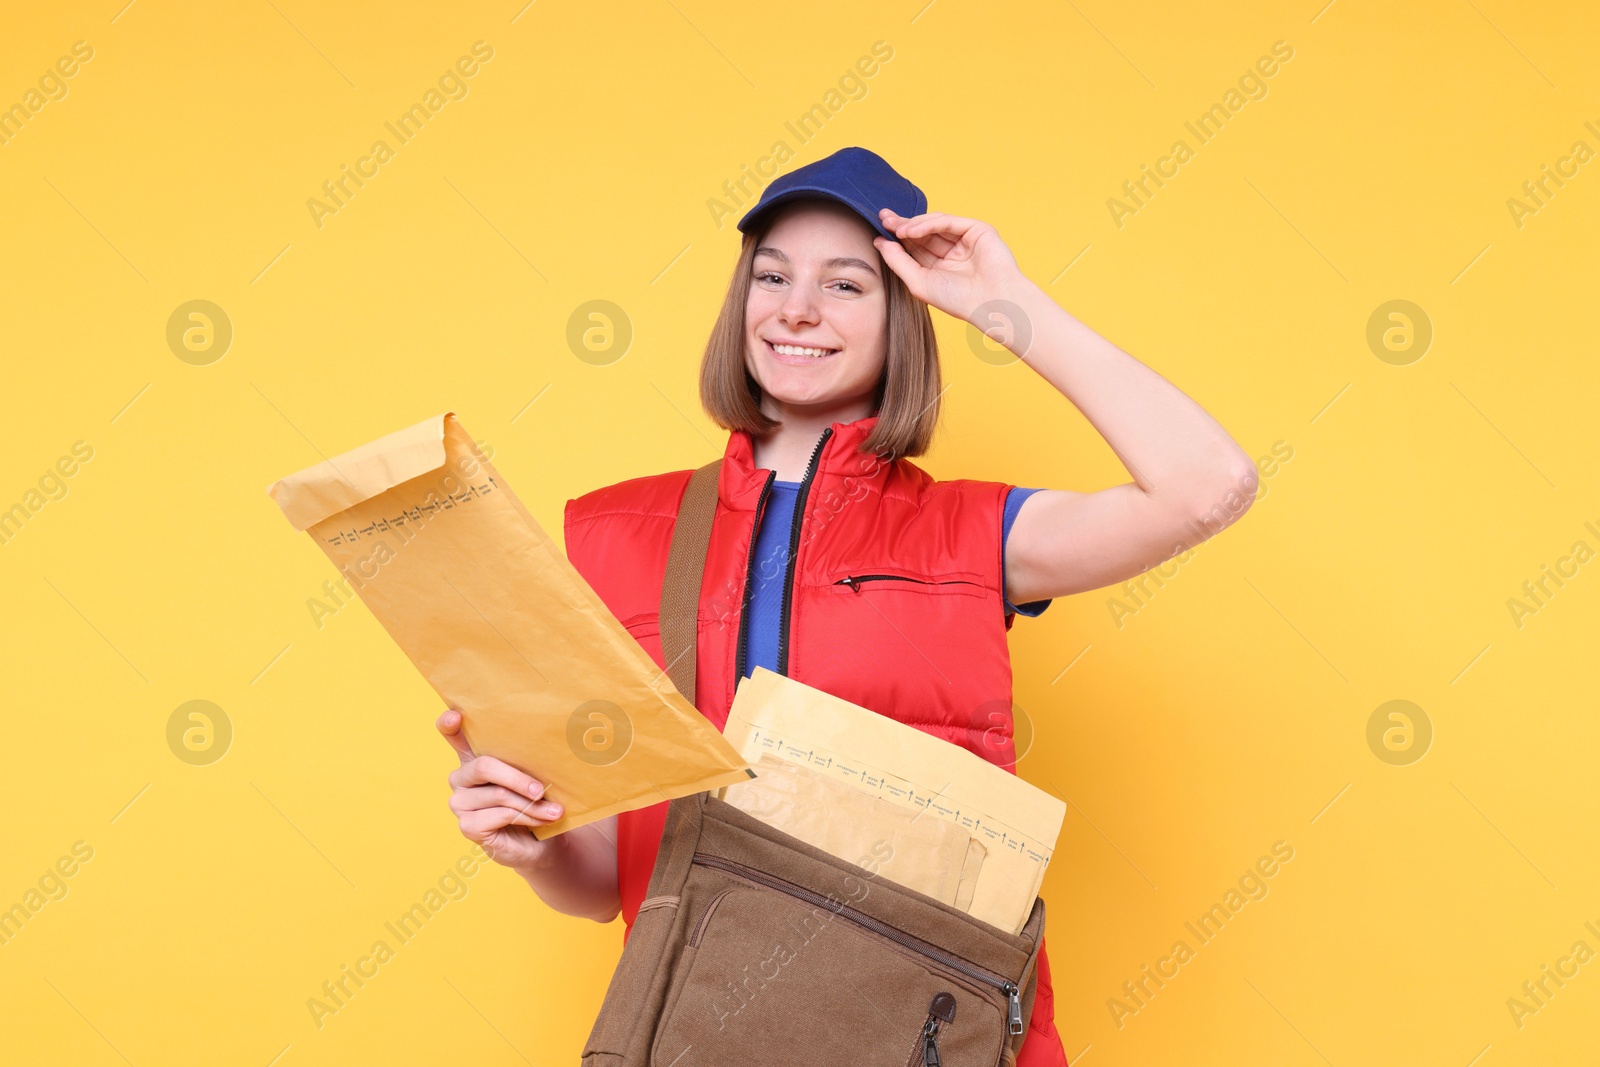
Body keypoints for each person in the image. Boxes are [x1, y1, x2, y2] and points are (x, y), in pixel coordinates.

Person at [436, 147, 1259, 1065]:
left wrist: (1006, 307)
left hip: (922, 1032)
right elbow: (607, 882)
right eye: (773, 276)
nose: (796, 308)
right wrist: (532, 842)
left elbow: (1208, 486)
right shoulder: (615, 535)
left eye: (846, 284)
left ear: (904, 315)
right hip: (694, 1030)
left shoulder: (971, 533)